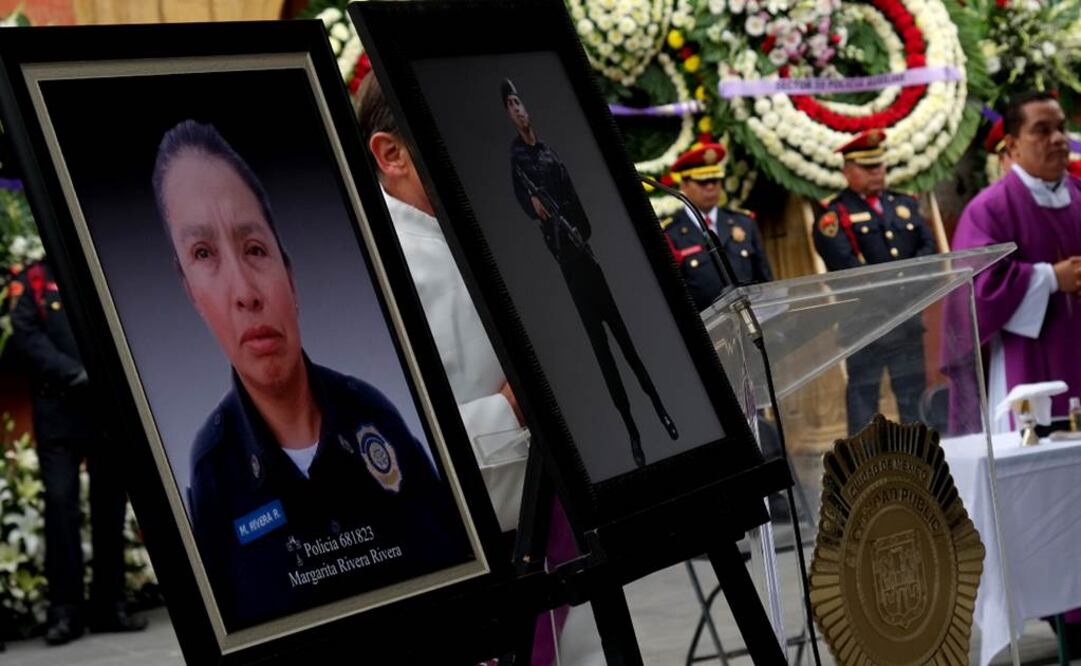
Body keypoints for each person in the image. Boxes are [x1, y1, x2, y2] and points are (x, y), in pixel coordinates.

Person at [152, 120, 472, 630]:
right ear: (191, 292)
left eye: (255, 249)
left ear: (289, 274)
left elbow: (460, 579)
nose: (245, 291)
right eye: (204, 255)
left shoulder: (374, 414)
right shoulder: (213, 473)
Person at [357, 75, 603, 666]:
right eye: (449, 135)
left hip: (557, 540)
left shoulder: (500, 233)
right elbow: (372, 456)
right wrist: (513, 410)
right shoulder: (372, 270)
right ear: (391, 154)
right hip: (462, 565)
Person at [504, 77, 678, 469]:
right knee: (602, 354)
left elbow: (578, 203)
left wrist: (579, 231)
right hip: (567, 265)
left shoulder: (549, 154)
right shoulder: (518, 161)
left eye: (519, 102)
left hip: (586, 252)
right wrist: (537, 210)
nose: (518, 110)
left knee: (625, 341)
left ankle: (660, 408)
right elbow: (524, 204)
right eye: (510, 105)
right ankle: (632, 430)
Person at [10, 260, 148, 645]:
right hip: (58, 412)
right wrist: (72, 371)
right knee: (60, 505)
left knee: (109, 507)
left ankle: (110, 605)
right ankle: (64, 612)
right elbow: (26, 334)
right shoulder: (34, 280)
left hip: (103, 411)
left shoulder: (93, 268)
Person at [951, 91, 1081, 433]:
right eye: (1041, 130)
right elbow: (976, 292)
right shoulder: (989, 209)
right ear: (1012, 145)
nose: (1056, 139)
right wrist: (1051, 279)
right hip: (1028, 365)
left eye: (1060, 128)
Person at [812, 128, 937, 435]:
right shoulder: (834, 214)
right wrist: (897, 288)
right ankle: (863, 470)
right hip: (865, 325)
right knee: (863, 407)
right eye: (867, 167)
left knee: (913, 404)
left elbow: (928, 250)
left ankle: (923, 464)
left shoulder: (903, 204)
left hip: (906, 323)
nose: (876, 172)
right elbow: (845, 264)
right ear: (847, 171)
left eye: (879, 165)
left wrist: (908, 288)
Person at [661, 141, 773, 310]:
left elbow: (765, 279)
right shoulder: (671, 234)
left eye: (715, 180)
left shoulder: (744, 222)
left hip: (754, 318)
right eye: (702, 182)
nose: (711, 186)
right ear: (684, 185)